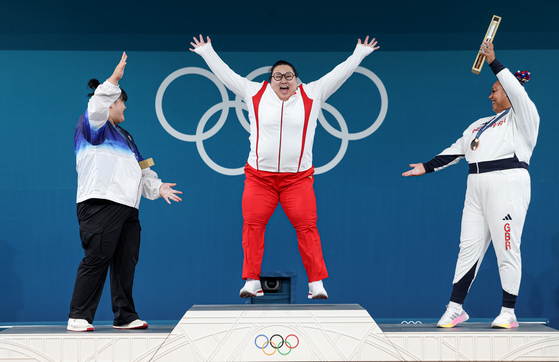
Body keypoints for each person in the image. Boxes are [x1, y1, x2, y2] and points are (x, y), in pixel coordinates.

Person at [190, 34, 379, 300]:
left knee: (307, 227)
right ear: (270, 80)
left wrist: (359, 53)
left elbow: (340, 74)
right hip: (259, 179)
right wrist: (207, 51)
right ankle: (252, 280)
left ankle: (316, 283)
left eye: (289, 76)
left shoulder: (312, 94)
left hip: (297, 180)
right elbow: (226, 74)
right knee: (252, 226)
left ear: (296, 79)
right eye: (278, 76)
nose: (284, 81)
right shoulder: (254, 92)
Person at [402, 41, 539, 329]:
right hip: (475, 186)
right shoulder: (479, 124)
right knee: (468, 248)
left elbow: (515, 89)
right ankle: (455, 308)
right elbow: (457, 149)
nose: (490, 94)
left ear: (510, 89)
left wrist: (493, 62)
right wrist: (426, 167)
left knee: (506, 248)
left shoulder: (524, 117)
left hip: (508, 183)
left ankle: (508, 312)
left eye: (495, 89)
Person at [68, 53, 183, 332]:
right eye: (122, 103)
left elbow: (143, 170)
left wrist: (158, 187)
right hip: (100, 203)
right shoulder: (93, 126)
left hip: (128, 208)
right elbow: (96, 105)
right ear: (110, 102)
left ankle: (124, 316)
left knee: (125, 263)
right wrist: (114, 81)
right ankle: (78, 316)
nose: (125, 109)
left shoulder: (126, 136)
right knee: (97, 258)